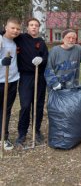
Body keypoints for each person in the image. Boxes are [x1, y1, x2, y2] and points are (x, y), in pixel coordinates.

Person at [14, 18, 48, 147]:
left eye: (36, 26)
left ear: (39, 28)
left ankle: (36, 130)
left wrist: (42, 59)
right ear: (27, 27)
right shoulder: (20, 38)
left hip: (39, 77)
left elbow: (46, 57)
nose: (34, 27)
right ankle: (22, 133)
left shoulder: (41, 42)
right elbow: (6, 33)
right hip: (26, 76)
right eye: (31, 25)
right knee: (26, 105)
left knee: (38, 105)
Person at [0, 18, 21, 150]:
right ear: (5, 27)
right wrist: (2, 62)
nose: (15, 31)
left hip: (12, 81)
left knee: (6, 111)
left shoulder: (15, 42)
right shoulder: (0, 40)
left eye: (18, 29)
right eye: (12, 28)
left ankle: (3, 138)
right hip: (0, 81)